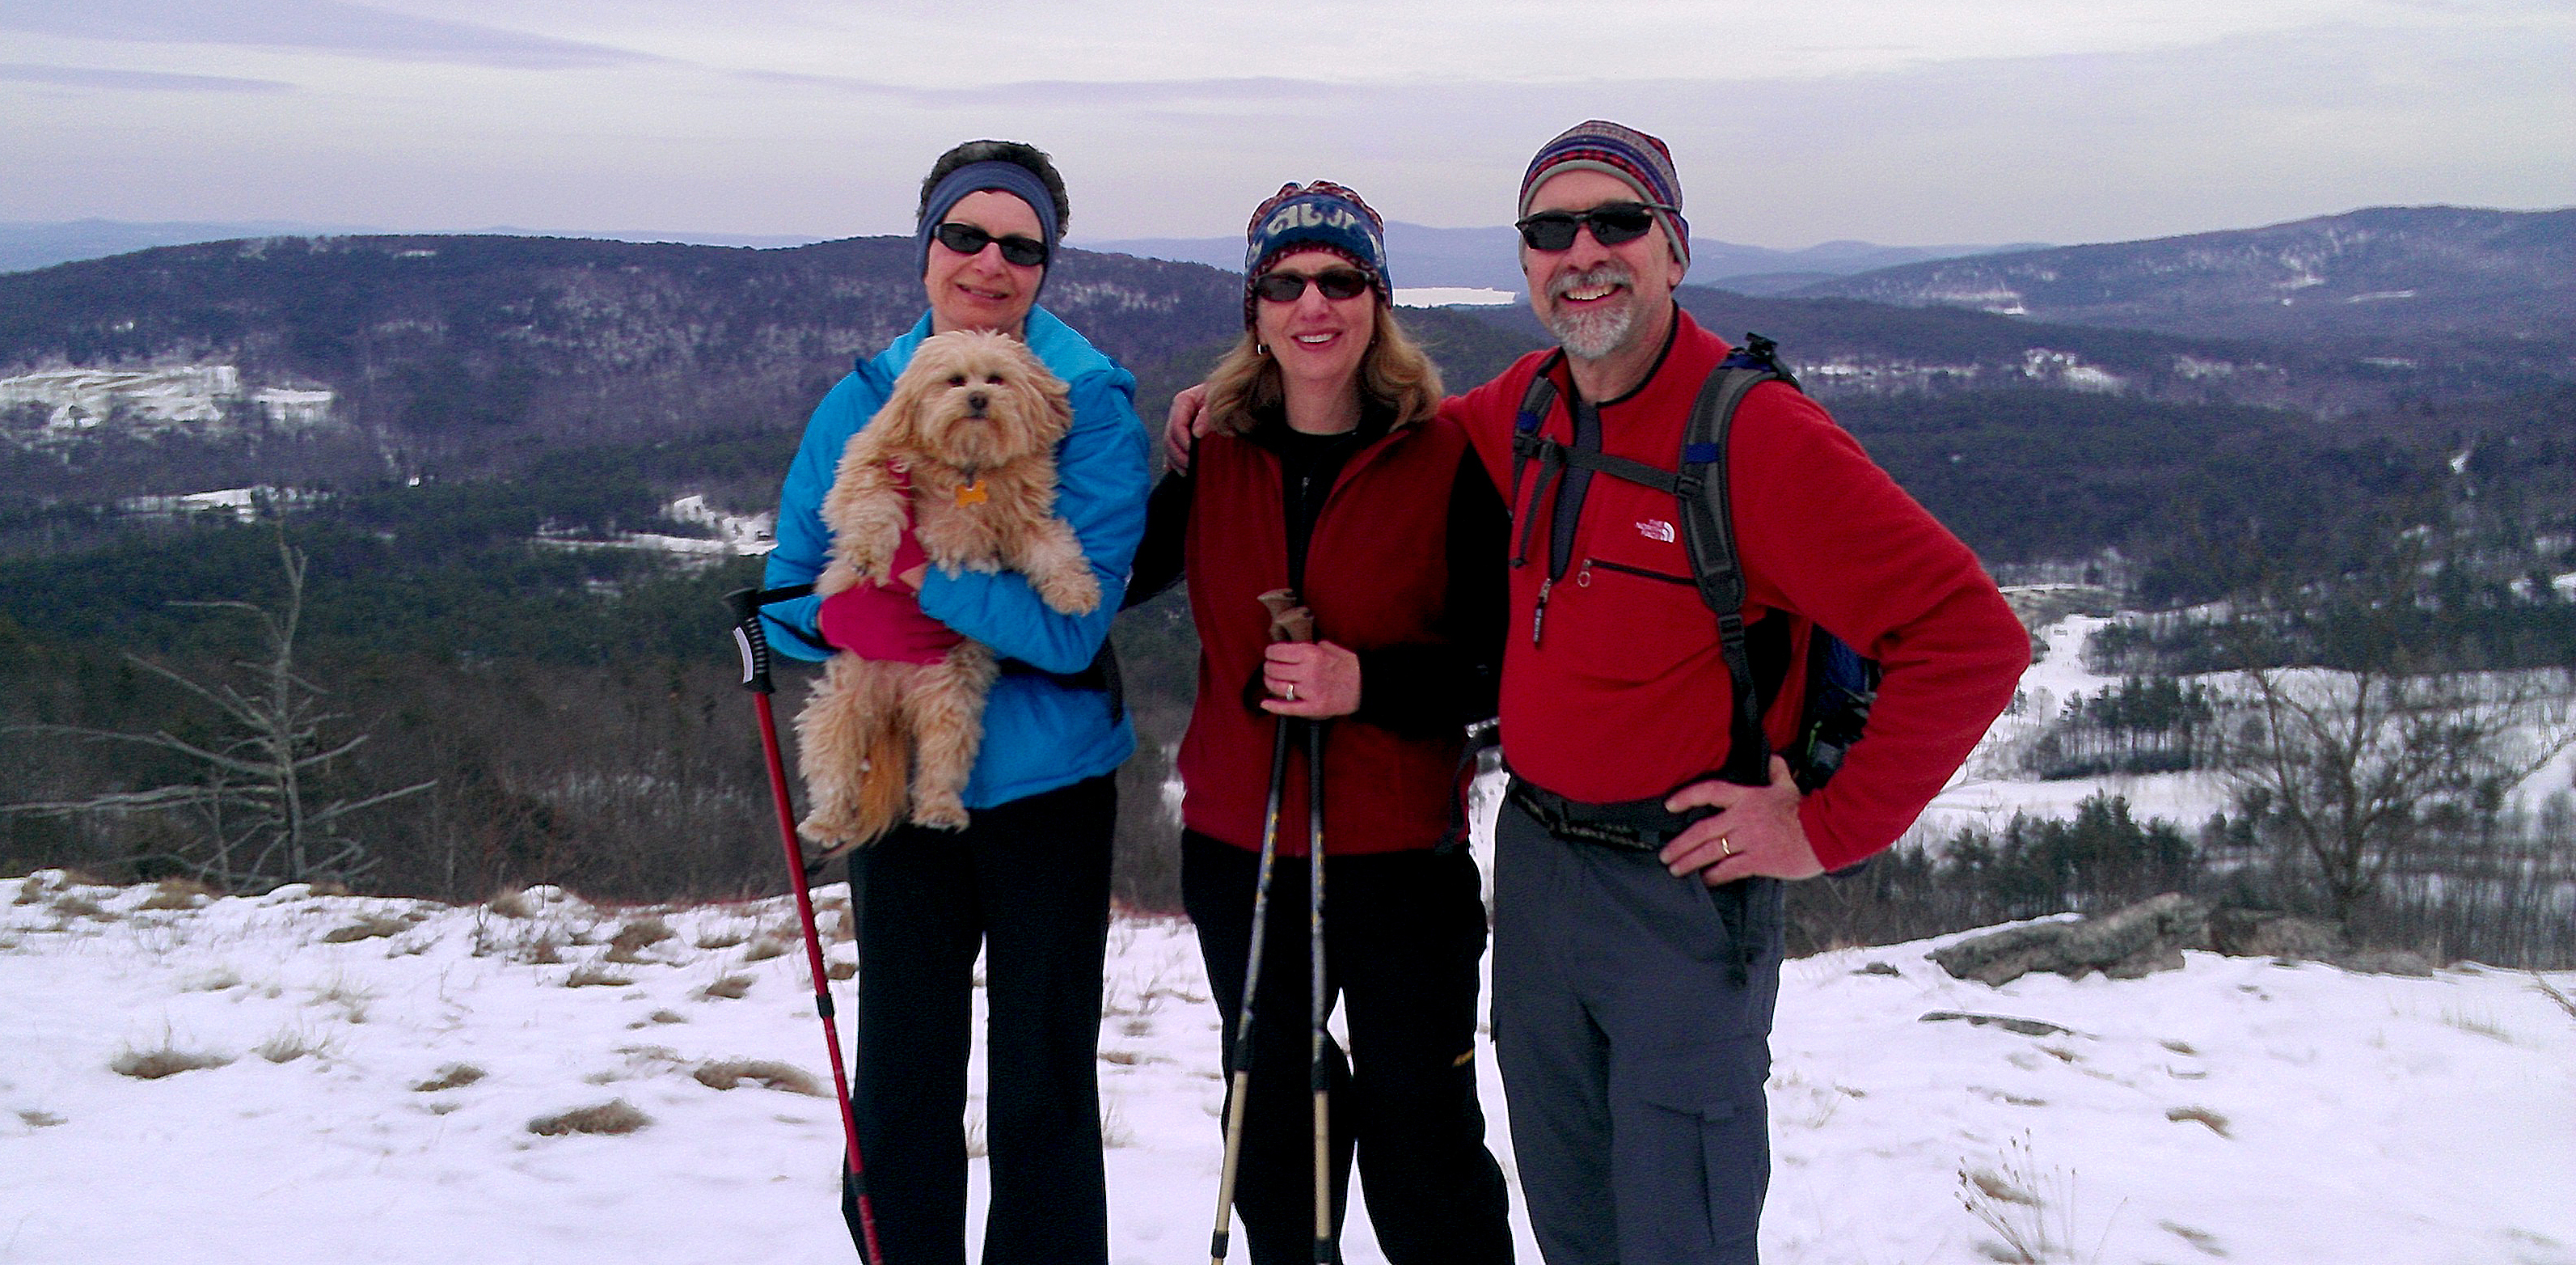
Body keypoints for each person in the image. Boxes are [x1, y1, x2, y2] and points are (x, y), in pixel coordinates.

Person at [1170, 123, 2029, 1265]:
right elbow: (1379, 430)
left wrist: (1824, 829)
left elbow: (1968, 635)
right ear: (1524, 264)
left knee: (1676, 1221)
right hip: (1536, 865)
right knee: (1572, 1212)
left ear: (1672, 247)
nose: (1582, 252)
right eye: (1549, 230)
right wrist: (1216, 406)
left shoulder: (1752, 434)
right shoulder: (1527, 408)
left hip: (1678, 882)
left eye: (1616, 223)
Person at [760, 139, 1149, 1265]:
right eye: (964, 235)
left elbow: (1071, 629)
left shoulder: (1089, 406)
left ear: (1045, 267)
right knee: (900, 1072)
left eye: (1019, 245)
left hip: (1049, 785)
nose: (988, 261)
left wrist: (926, 587)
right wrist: (847, 617)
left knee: (1038, 1078)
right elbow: (792, 589)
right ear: (926, 245)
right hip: (894, 772)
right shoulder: (867, 398)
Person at [1125, 180, 1515, 1265]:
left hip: (1399, 857)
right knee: (1273, 1105)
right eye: (1285, 283)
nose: (1314, 304)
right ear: (1255, 311)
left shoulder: (1444, 459)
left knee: (1420, 1124)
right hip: (1239, 844)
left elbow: (1503, 668)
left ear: (1376, 303)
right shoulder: (1214, 459)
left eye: (1340, 280)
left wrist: (1368, 685)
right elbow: (1103, 580)